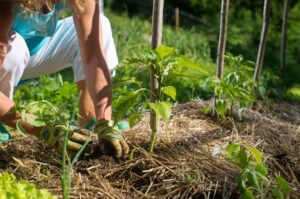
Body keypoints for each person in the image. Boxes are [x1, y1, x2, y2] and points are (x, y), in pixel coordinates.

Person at [0, 0, 129, 158]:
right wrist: (44, 129)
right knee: (15, 48)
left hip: (36, 50)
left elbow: (92, 56)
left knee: (100, 23)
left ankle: (91, 121)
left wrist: (105, 122)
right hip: (10, 54)